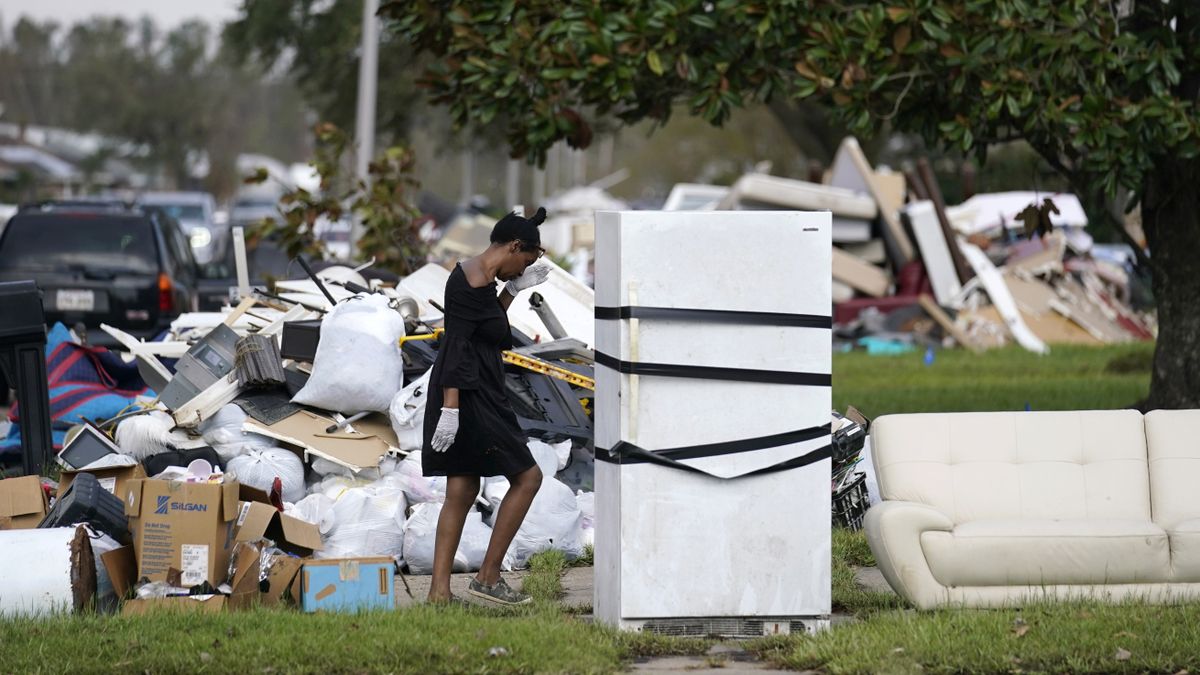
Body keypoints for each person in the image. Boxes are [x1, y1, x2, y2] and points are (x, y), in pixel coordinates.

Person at [423, 207, 551, 605]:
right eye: (524, 261)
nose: (521, 269)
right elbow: (458, 346)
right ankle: (489, 576)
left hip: (474, 389)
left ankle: (439, 595)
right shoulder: (468, 281)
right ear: (514, 246)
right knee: (528, 478)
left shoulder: (479, 277)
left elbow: (489, 327)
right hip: (469, 394)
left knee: (461, 488)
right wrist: (451, 409)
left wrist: (512, 291)